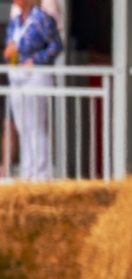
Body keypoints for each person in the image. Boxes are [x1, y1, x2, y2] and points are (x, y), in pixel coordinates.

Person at [5, 0, 62, 181]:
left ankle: (41, 172)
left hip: (36, 75)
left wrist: (37, 60)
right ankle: (28, 171)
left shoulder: (41, 18)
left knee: (36, 125)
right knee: (23, 126)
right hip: (17, 74)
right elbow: (11, 45)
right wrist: (10, 53)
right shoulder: (15, 21)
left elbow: (56, 45)